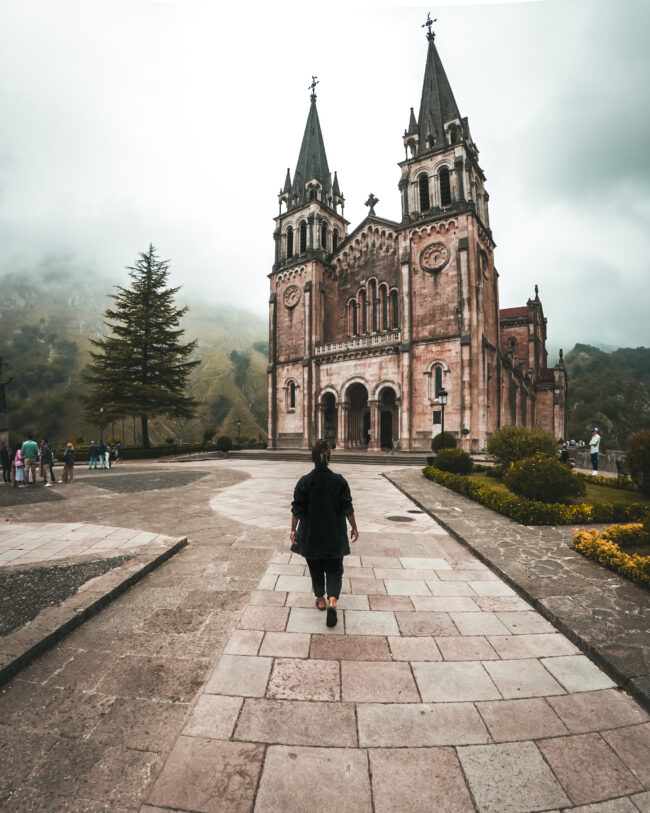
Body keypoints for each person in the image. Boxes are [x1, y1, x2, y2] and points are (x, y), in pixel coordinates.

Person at [290, 439, 359, 628]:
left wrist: (292, 530)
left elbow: (297, 509)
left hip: (311, 535)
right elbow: (347, 508)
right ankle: (333, 601)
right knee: (335, 568)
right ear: (329, 458)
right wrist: (354, 526)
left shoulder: (304, 482)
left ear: (313, 458)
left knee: (315, 567)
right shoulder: (339, 481)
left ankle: (320, 599)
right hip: (334, 535)